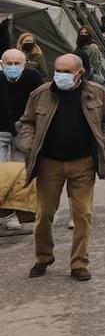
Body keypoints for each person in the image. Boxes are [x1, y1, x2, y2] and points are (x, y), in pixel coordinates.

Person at [18, 53, 105, 281]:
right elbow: (27, 122)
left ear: (79, 73)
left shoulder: (96, 92)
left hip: (83, 163)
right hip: (49, 164)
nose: (60, 76)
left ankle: (79, 263)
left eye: (66, 72)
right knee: (43, 213)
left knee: (83, 214)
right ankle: (43, 257)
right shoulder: (41, 94)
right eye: (57, 71)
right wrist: (28, 143)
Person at [1, 48, 45, 231]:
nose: (13, 67)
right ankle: (7, 213)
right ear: (2, 65)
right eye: (8, 64)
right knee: (2, 173)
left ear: (24, 64)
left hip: (24, 129)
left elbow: (41, 102)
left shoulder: (33, 78)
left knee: (22, 173)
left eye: (16, 63)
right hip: (2, 127)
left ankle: (21, 212)